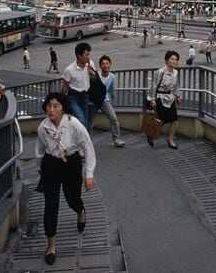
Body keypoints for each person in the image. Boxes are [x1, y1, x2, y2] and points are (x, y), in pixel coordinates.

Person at [35, 92, 96, 265]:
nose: (51, 109)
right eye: (48, 105)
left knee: (72, 198)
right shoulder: (43, 128)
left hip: (71, 163)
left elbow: (88, 147)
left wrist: (89, 174)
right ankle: (51, 245)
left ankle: (80, 210)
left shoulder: (73, 123)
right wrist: (40, 170)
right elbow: (39, 151)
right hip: (51, 165)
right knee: (51, 205)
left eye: (55, 106)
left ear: (63, 108)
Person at [146, 50, 182, 149]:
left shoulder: (175, 72)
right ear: (167, 61)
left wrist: (178, 96)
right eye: (172, 59)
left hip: (170, 98)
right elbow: (153, 86)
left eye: (176, 59)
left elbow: (175, 86)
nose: (174, 61)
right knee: (161, 120)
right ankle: (151, 134)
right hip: (160, 98)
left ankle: (170, 139)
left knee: (174, 120)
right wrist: (152, 99)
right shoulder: (160, 72)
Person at [87, 55, 125, 147]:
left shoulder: (111, 76)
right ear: (100, 66)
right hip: (94, 102)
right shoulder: (96, 75)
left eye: (107, 63)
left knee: (113, 118)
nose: (105, 65)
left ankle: (116, 139)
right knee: (90, 122)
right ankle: (87, 141)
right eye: (103, 64)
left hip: (104, 100)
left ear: (110, 65)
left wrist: (112, 93)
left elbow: (111, 87)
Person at [61, 42, 94, 126]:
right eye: (86, 55)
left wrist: (92, 73)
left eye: (89, 54)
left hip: (85, 95)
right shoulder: (69, 69)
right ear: (79, 56)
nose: (88, 57)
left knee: (85, 121)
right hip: (73, 97)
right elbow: (65, 87)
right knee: (81, 120)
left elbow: (95, 80)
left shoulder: (90, 65)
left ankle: (81, 138)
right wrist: (61, 101)